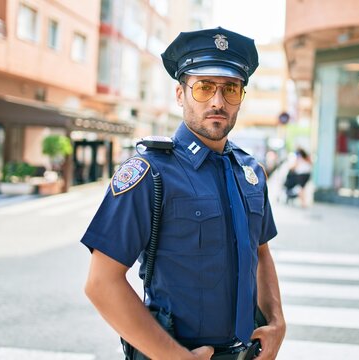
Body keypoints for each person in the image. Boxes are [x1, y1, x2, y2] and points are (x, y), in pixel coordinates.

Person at [81, 27, 285, 360]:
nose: (218, 101)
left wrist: (277, 321)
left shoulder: (250, 172)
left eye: (231, 89)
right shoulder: (150, 173)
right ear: (180, 94)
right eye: (204, 87)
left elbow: (261, 253)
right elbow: (101, 284)